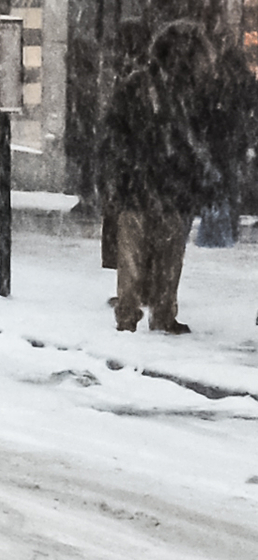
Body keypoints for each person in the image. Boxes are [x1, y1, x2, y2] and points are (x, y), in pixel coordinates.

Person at [100, 21, 227, 333]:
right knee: (165, 255)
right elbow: (200, 137)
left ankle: (133, 315)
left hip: (147, 184)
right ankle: (158, 313)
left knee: (137, 254)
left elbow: (113, 134)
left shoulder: (139, 86)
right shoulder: (184, 91)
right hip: (165, 184)